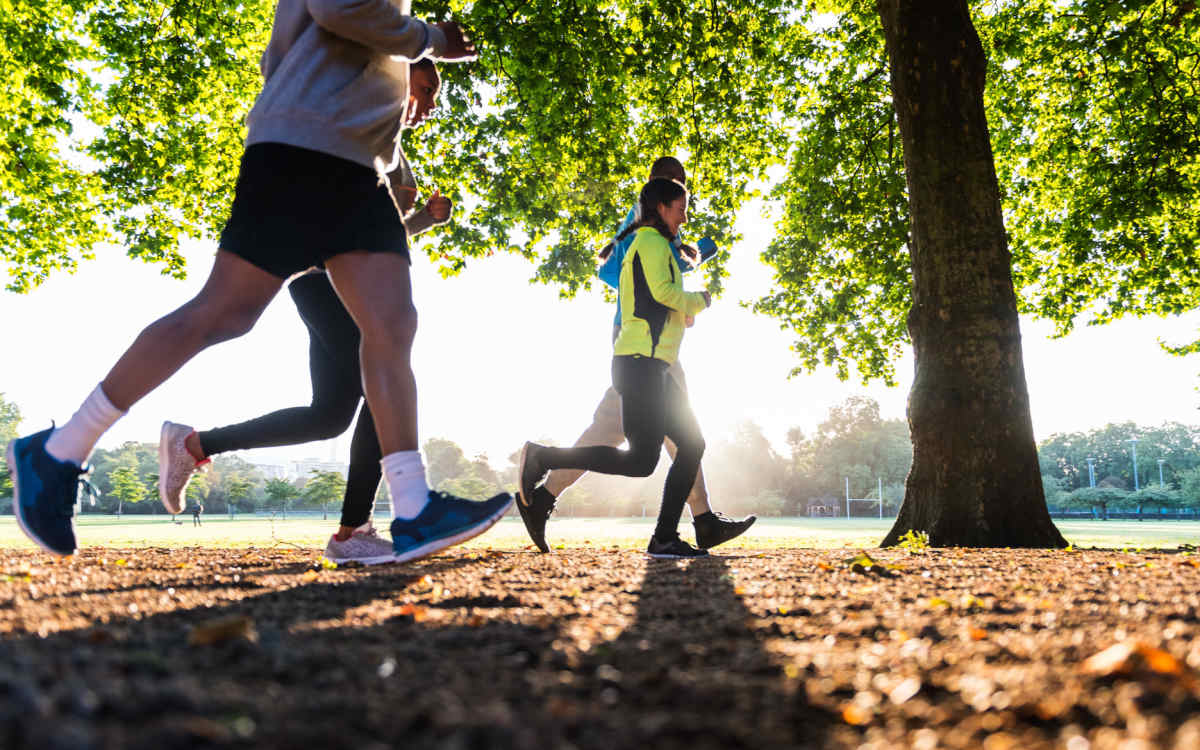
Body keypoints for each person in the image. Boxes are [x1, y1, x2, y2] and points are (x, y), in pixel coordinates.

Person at [6, 0, 511, 561]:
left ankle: (414, 509)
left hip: (356, 159)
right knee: (224, 313)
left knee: (392, 325)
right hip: (308, 146)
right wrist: (426, 41)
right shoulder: (400, 36)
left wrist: (406, 63)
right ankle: (60, 450)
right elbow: (338, 8)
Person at [158, 60, 452, 566]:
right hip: (322, 277)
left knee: (330, 415)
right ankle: (353, 530)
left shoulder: (394, 155)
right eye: (425, 90)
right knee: (381, 382)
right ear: (398, 79)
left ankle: (194, 444)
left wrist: (423, 218)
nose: (428, 106)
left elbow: (379, 236)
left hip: (334, 280)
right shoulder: (364, 128)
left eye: (433, 98)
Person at [517, 157, 755, 553]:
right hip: (639, 343)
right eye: (676, 192)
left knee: (634, 432)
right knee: (666, 439)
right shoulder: (645, 228)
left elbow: (662, 281)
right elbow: (615, 273)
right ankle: (697, 522)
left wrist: (684, 275)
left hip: (651, 346)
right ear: (659, 193)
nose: (684, 206)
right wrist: (682, 296)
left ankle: (544, 495)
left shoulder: (662, 234)